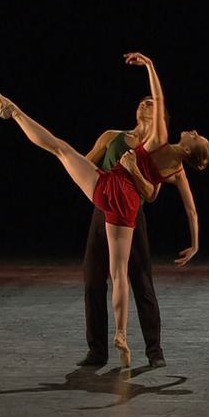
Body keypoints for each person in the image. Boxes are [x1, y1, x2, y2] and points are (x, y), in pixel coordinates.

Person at [0, 52, 209, 367]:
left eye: (197, 137)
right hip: (118, 202)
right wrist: (196, 243)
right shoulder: (166, 164)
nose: (194, 130)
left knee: (60, 149)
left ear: (187, 148)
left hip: (111, 193)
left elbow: (153, 191)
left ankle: (17, 113)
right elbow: (188, 209)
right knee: (115, 274)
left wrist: (149, 65)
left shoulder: (159, 139)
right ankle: (117, 336)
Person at [77, 97, 166, 369]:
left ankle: (154, 351)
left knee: (141, 281)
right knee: (93, 279)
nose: (144, 104)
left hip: (131, 215)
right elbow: (86, 162)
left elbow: (151, 194)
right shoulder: (111, 136)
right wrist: (101, 181)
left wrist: (133, 170)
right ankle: (97, 351)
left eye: (150, 102)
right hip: (103, 209)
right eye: (141, 102)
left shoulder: (154, 150)